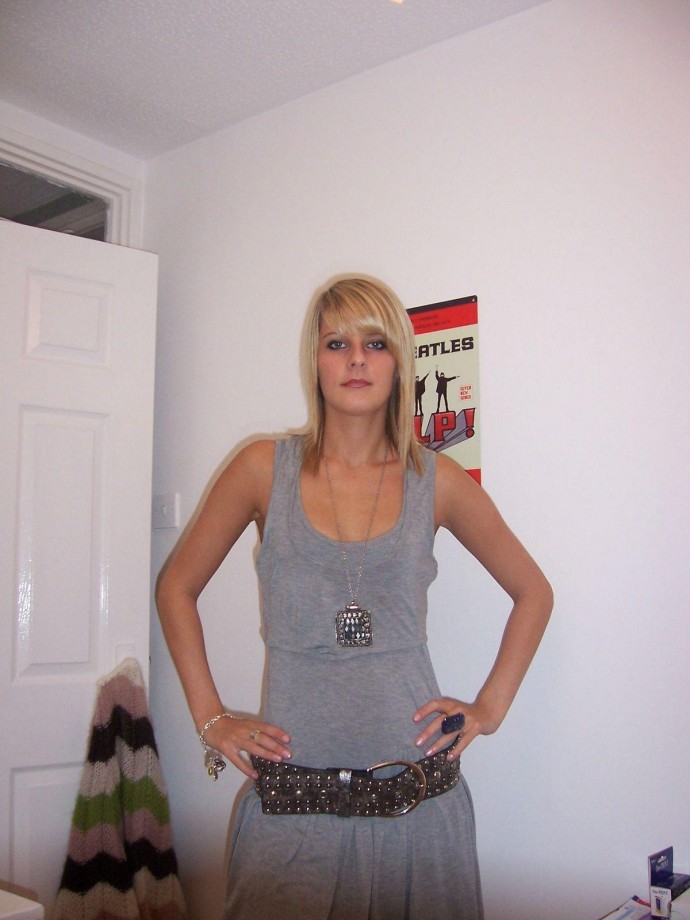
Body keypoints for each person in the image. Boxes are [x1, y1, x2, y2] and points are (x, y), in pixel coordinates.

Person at [156, 276, 553, 920]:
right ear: (314, 361)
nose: (357, 360)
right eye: (337, 343)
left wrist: (489, 708)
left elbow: (533, 592)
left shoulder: (436, 480)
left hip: (418, 809)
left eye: (376, 343)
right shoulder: (263, 468)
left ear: (399, 362)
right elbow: (176, 587)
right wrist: (210, 718)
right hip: (292, 815)